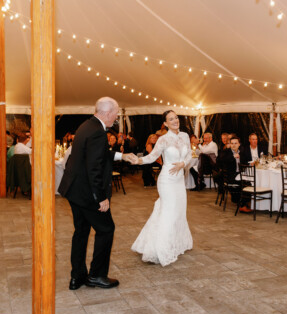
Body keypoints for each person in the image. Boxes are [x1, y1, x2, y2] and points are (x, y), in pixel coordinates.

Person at [58, 97, 135, 290]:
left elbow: (98, 154)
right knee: (106, 229)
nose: (115, 119)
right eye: (115, 115)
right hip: (87, 192)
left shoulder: (86, 125)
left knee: (81, 232)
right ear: (108, 113)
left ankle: (77, 277)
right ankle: (97, 276)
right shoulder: (98, 133)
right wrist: (100, 197)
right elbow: (94, 167)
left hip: (74, 190)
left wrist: (122, 155)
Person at [131, 110, 193, 266]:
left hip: (179, 180)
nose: (175, 121)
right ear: (165, 123)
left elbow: (190, 155)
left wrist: (183, 164)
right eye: (171, 119)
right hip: (167, 180)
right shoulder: (163, 140)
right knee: (168, 212)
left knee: (178, 211)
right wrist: (138, 161)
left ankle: (176, 244)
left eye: (176, 118)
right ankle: (160, 249)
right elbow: (152, 157)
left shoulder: (185, 136)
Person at [222, 136, 250, 212]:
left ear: (239, 144)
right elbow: (221, 161)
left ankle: (243, 202)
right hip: (230, 176)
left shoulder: (242, 152)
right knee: (246, 183)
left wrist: (250, 163)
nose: (233, 145)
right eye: (232, 143)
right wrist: (232, 157)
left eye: (235, 143)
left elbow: (246, 162)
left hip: (240, 174)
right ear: (230, 144)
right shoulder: (227, 152)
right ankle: (243, 205)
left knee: (250, 182)